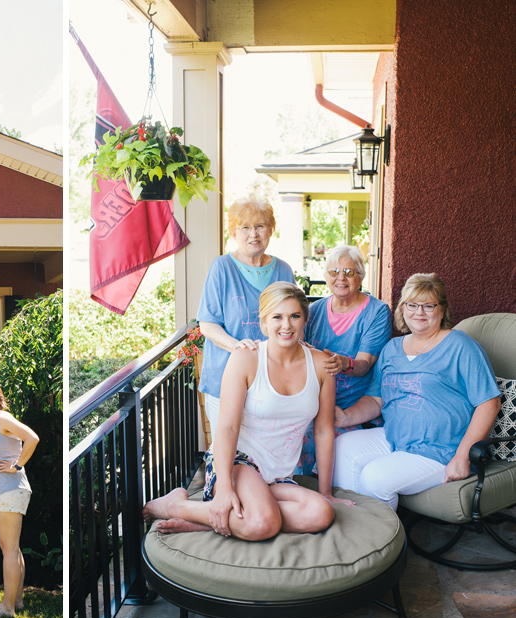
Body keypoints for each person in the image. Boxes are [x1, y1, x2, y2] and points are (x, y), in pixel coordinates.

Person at [143, 283, 351, 540]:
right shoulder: (246, 358)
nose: (286, 325)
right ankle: (176, 506)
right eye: (277, 317)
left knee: (321, 512)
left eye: (294, 316)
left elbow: (323, 431)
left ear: (305, 319)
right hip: (238, 463)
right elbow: (227, 427)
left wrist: (326, 492)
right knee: (262, 524)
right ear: (263, 322)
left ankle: (208, 520)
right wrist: (225, 490)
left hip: (279, 476)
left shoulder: (321, 365)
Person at [332, 273, 501, 510]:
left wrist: (462, 457)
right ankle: (358, 525)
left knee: (374, 478)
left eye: (428, 305)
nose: (419, 312)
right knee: (340, 448)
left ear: (442, 310)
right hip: (395, 437)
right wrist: (345, 417)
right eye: (412, 305)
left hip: (441, 449)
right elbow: (376, 398)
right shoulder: (392, 349)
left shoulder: (460, 346)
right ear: (403, 309)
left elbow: (489, 403)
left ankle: (385, 538)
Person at [197, 196, 296, 429]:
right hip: (225, 378)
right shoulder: (222, 268)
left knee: (264, 452)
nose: (254, 234)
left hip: (271, 382)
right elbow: (207, 324)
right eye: (245, 228)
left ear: (270, 230)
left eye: (260, 226)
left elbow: (295, 321)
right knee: (229, 451)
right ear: (233, 233)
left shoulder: (283, 270)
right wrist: (237, 347)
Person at [296, 245, 392, 474]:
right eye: (333, 271)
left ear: (361, 277)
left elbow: (365, 364)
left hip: (352, 407)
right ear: (326, 276)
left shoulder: (377, 312)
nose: (341, 278)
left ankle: (326, 498)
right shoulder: (315, 310)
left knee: (320, 448)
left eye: (349, 272)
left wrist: (344, 363)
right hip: (314, 405)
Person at [0, 381, 39, 618]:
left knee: (9, 549)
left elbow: (32, 438)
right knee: (10, 548)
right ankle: (17, 600)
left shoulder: (3, 418)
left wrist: (17, 465)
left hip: (10, 490)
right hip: (6, 491)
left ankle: (7, 607)